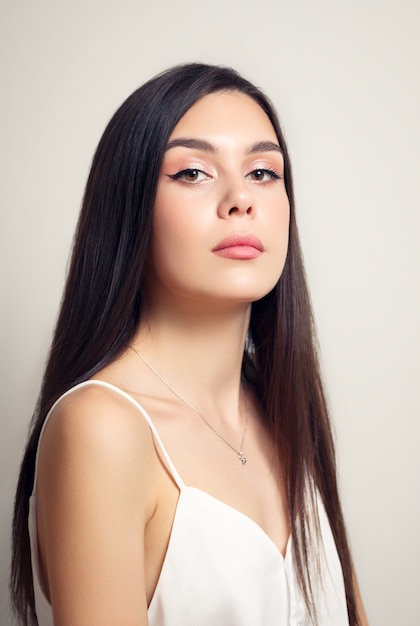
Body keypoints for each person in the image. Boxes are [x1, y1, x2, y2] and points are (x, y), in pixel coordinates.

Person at [11, 63, 368, 626]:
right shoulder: (101, 427)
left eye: (263, 172)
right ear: (128, 208)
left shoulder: (285, 406)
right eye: (194, 172)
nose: (239, 200)